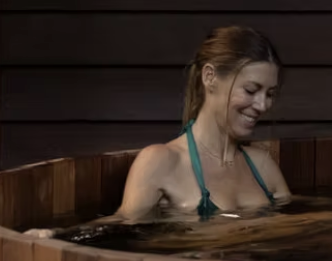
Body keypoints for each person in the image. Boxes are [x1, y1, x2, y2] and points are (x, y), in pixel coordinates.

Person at [25, 25, 290, 235]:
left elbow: (297, 226)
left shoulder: (262, 164)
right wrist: (58, 235)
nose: (262, 105)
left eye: (270, 94)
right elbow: (120, 223)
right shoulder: (163, 161)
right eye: (252, 90)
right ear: (210, 77)